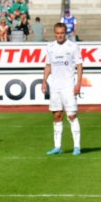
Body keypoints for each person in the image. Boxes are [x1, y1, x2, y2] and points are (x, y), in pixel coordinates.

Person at [42, 22, 83, 155]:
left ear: (65, 33)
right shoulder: (50, 47)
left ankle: (77, 146)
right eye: (57, 33)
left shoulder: (73, 46)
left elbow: (79, 65)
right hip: (55, 87)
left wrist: (78, 83)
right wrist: (44, 81)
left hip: (68, 86)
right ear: (54, 33)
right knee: (57, 115)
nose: (59, 35)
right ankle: (57, 147)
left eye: (62, 33)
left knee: (71, 115)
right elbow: (48, 65)